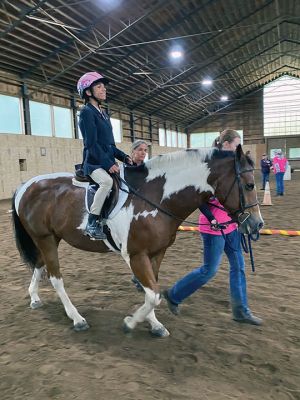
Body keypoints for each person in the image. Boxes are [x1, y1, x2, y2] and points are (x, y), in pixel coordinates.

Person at [163, 129, 262, 326]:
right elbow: (198, 198)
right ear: (225, 144)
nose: (237, 148)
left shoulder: (233, 166)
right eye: (236, 144)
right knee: (209, 270)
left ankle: (240, 311)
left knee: (238, 267)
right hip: (213, 227)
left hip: (231, 225)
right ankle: (174, 295)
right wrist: (211, 218)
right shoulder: (207, 165)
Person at [77, 71, 132, 240]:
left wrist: (124, 157)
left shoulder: (103, 113)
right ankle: (92, 223)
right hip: (93, 163)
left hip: (104, 159)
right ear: (88, 92)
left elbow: (110, 145)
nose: (104, 89)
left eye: (104, 87)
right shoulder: (87, 112)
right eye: (99, 87)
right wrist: (108, 163)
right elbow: (91, 144)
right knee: (107, 182)